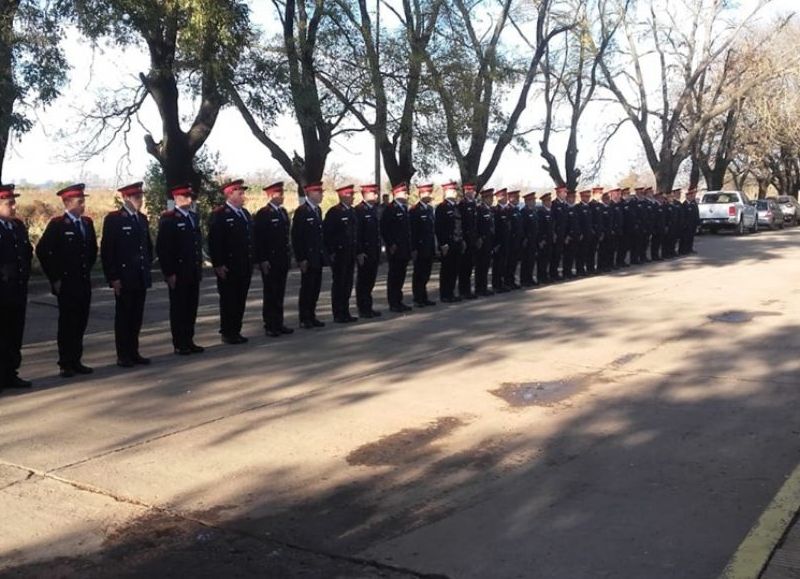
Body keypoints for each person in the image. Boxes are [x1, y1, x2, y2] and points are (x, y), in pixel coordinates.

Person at [37, 183, 98, 377]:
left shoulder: (87, 223)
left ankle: (76, 359)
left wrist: (86, 269)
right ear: (68, 203)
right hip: (66, 282)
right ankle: (65, 362)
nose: (83, 205)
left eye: (83, 201)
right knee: (67, 324)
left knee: (81, 321)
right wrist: (55, 278)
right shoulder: (57, 225)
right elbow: (43, 251)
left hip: (82, 281)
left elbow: (92, 251)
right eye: (80, 202)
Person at [100, 181, 153, 367]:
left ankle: (134, 351)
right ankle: (123, 354)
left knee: (137, 316)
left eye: (141, 197)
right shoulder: (115, 219)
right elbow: (108, 251)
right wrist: (113, 277)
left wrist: (147, 267)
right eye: (137, 197)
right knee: (124, 317)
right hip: (124, 277)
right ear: (125, 198)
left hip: (139, 275)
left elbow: (146, 246)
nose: (140, 200)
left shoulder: (141, 219)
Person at [155, 183, 205, 355]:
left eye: (191, 196)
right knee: (179, 308)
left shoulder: (193, 217)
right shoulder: (169, 219)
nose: (190, 200)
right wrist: (169, 272)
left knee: (191, 307)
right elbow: (164, 249)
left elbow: (196, 244)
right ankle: (179, 343)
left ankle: (189, 339)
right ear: (177, 199)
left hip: (192, 270)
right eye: (186, 196)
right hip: (178, 271)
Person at [208, 179, 253, 345]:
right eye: (240, 193)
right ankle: (227, 332)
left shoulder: (245, 214)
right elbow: (215, 241)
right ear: (229, 194)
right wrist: (218, 264)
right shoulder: (220, 215)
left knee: (240, 299)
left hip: (244, 265)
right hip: (229, 266)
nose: (243, 196)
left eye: (243, 193)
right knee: (229, 300)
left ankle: (236, 330)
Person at [0, 184, 33, 392]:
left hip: (17, 290)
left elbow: (27, 253)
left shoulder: (18, 226)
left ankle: (11, 373)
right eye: (8, 203)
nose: (14, 207)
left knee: (14, 335)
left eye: (14, 202)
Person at [254, 181, 293, 337]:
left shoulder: (282, 212)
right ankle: (270, 324)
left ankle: (279, 322)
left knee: (280, 292)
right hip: (270, 260)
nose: (282, 196)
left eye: (282, 193)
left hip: (282, 259)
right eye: (279, 193)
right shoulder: (264, 213)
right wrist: (262, 259)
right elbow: (259, 239)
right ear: (270, 195)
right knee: (270, 292)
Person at [292, 181, 327, 329]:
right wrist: (301, 258)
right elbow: (297, 237)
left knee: (315, 288)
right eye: (318, 192)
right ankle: (304, 317)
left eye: (321, 192)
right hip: (308, 257)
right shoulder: (302, 211)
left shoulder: (317, 210)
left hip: (317, 257)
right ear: (309, 194)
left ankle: (312, 315)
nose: (321, 195)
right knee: (307, 288)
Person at [324, 184, 359, 323]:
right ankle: (338, 313)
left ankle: (345, 311)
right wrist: (331, 252)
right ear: (343, 196)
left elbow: (355, 233)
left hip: (350, 253)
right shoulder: (334, 212)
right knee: (339, 283)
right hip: (339, 254)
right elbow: (328, 234)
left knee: (348, 283)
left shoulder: (352, 212)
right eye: (350, 195)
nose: (353, 197)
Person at [381, 183, 413, 312]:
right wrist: (390, 244)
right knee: (394, 276)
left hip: (404, 247)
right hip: (395, 248)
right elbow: (385, 228)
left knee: (401, 276)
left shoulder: (404, 209)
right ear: (397, 194)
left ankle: (398, 300)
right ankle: (393, 302)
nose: (406, 195)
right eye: (404, 192)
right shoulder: (390, 209)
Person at [354, 183, 382, 319]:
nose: (376, 195)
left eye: (376, 193)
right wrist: (359, 251)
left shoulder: (373, 210)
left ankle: (368, 307)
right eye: (373, 193)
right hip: (364, 252)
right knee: (363, 282)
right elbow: (357, 234)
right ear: (365, 195)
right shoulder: (359, 210)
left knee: (370, 281)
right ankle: (363, 308)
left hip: (373, 251)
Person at [435, 181, 465, 302]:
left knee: (454, 269)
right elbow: (439, 227)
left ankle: (451, 292)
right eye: (451, 190)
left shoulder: (456, 207)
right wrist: (443, 243)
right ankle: (445, 294)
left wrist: (462, 240)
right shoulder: (442, 208)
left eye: (454, 190)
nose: (454, 192)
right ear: (445, 192)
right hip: (447, 243)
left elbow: (460, 225)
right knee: (446, 270)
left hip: (457, 242)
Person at [410, 184, 437, 307]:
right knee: (419, 273)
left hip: (429, 245)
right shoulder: (415, 210)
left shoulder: (430, 209)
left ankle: (424, 296)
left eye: (430, 193)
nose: (429, 195)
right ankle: (417, 298)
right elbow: (413, 231)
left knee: (426, 273)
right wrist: (414, 248)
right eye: (427, 193)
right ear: (421, 195)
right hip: (420, 247)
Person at [457, 183, 479, 300]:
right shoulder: (462, 205)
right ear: (465, 192)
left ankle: (468, 290)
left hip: (472, 240)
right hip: (465, 240)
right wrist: (462, 239)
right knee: (464, 267)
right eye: (469, 191)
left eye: (473, 191)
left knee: (470, 266)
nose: (472, 193)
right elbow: (461, 224)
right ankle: (463, 290)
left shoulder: (474, 205)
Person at [474, 188, 495, 296]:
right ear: (484, 198)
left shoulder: (490, 210)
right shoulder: (479, 210)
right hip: (482, 241)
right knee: (480, 266)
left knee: (486, 265)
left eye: (492, 197)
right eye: (490, 197)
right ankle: (479, 288)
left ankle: (484, 286)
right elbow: (477, 226)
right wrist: (478, 238)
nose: (492, 199)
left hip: (489, 241)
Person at [492, 188, 511, 293]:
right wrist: (496, 243)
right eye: (502, 196)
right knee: (497, 264)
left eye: (505, 195)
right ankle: (496, 284)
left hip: (507, 241)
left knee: (504, 263)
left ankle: (502, 282)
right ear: (498, 198)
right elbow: (495, 228)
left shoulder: (508, 210)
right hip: (498, 242)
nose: (505, 198)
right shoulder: (495, 211)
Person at [504, 190, 523, 289]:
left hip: (517, 241)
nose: (517, 199)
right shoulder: (508, 210)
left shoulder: (516, 210)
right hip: (511, 240)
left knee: (514, 262)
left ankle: (511, 280)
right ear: (510, 198)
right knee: (509, 262)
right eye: (515, 198)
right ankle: (507, 281)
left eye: (518, 197)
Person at [519, 191, 539, 287]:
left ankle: (529, 278)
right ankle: (524, 280)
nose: (534, 202)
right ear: (527, 201)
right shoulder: (523, 212)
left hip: (533, 240)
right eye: (532, 200)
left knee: (531, 260)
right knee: (525, 260)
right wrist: (525, 238)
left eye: (534, 200)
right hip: (527, 240)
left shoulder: (534, 211)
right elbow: (522, 227)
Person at [550, 186, 568, 280]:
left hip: (564, 233)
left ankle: (561, 272)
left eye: (565, 192)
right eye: (563, 192)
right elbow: (553, 221)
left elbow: (567, 221)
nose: (565, 194)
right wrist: (554, 233)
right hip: (557, 234)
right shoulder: (554, 204)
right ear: (558, 193)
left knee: (562, 254)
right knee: (555, 255)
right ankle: (553, 273)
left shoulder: (565, 205)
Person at [562, 189, 580, 279]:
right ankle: (566, 272)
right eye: (571, 197)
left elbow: (578, 223)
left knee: (573, 254)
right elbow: (564, 224)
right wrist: (566, 236)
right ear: (567, 198)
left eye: (574, 197)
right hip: (568, 236)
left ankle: (569, 271)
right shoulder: (565, 208)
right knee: (567, 255)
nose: (573, 199)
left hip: (576, 235)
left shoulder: (576, 208)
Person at [536, 192, 554, 284]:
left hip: (549, 238)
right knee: (542, 259)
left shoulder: (550, 212)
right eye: (548, 200)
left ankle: (545, 275)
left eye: (550, 200)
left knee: (547, 258)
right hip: (543, 239)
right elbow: (539, 227)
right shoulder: (540, 212)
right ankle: (541, 277)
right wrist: (540, 240)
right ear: (544, 202)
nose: (550, 202)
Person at [681, 188, 700, 255]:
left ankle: (690, 249)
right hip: (687, 225)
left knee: (691, 237)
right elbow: (683, 216)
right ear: (687, 196)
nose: (692, 197)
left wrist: (698, 223)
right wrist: (684, 224)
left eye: (692, 195)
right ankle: (684, 250)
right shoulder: (684, 204)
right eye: (690, 195)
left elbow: (697, 214)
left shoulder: (694, 204)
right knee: (685, 238)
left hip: (693, 224)